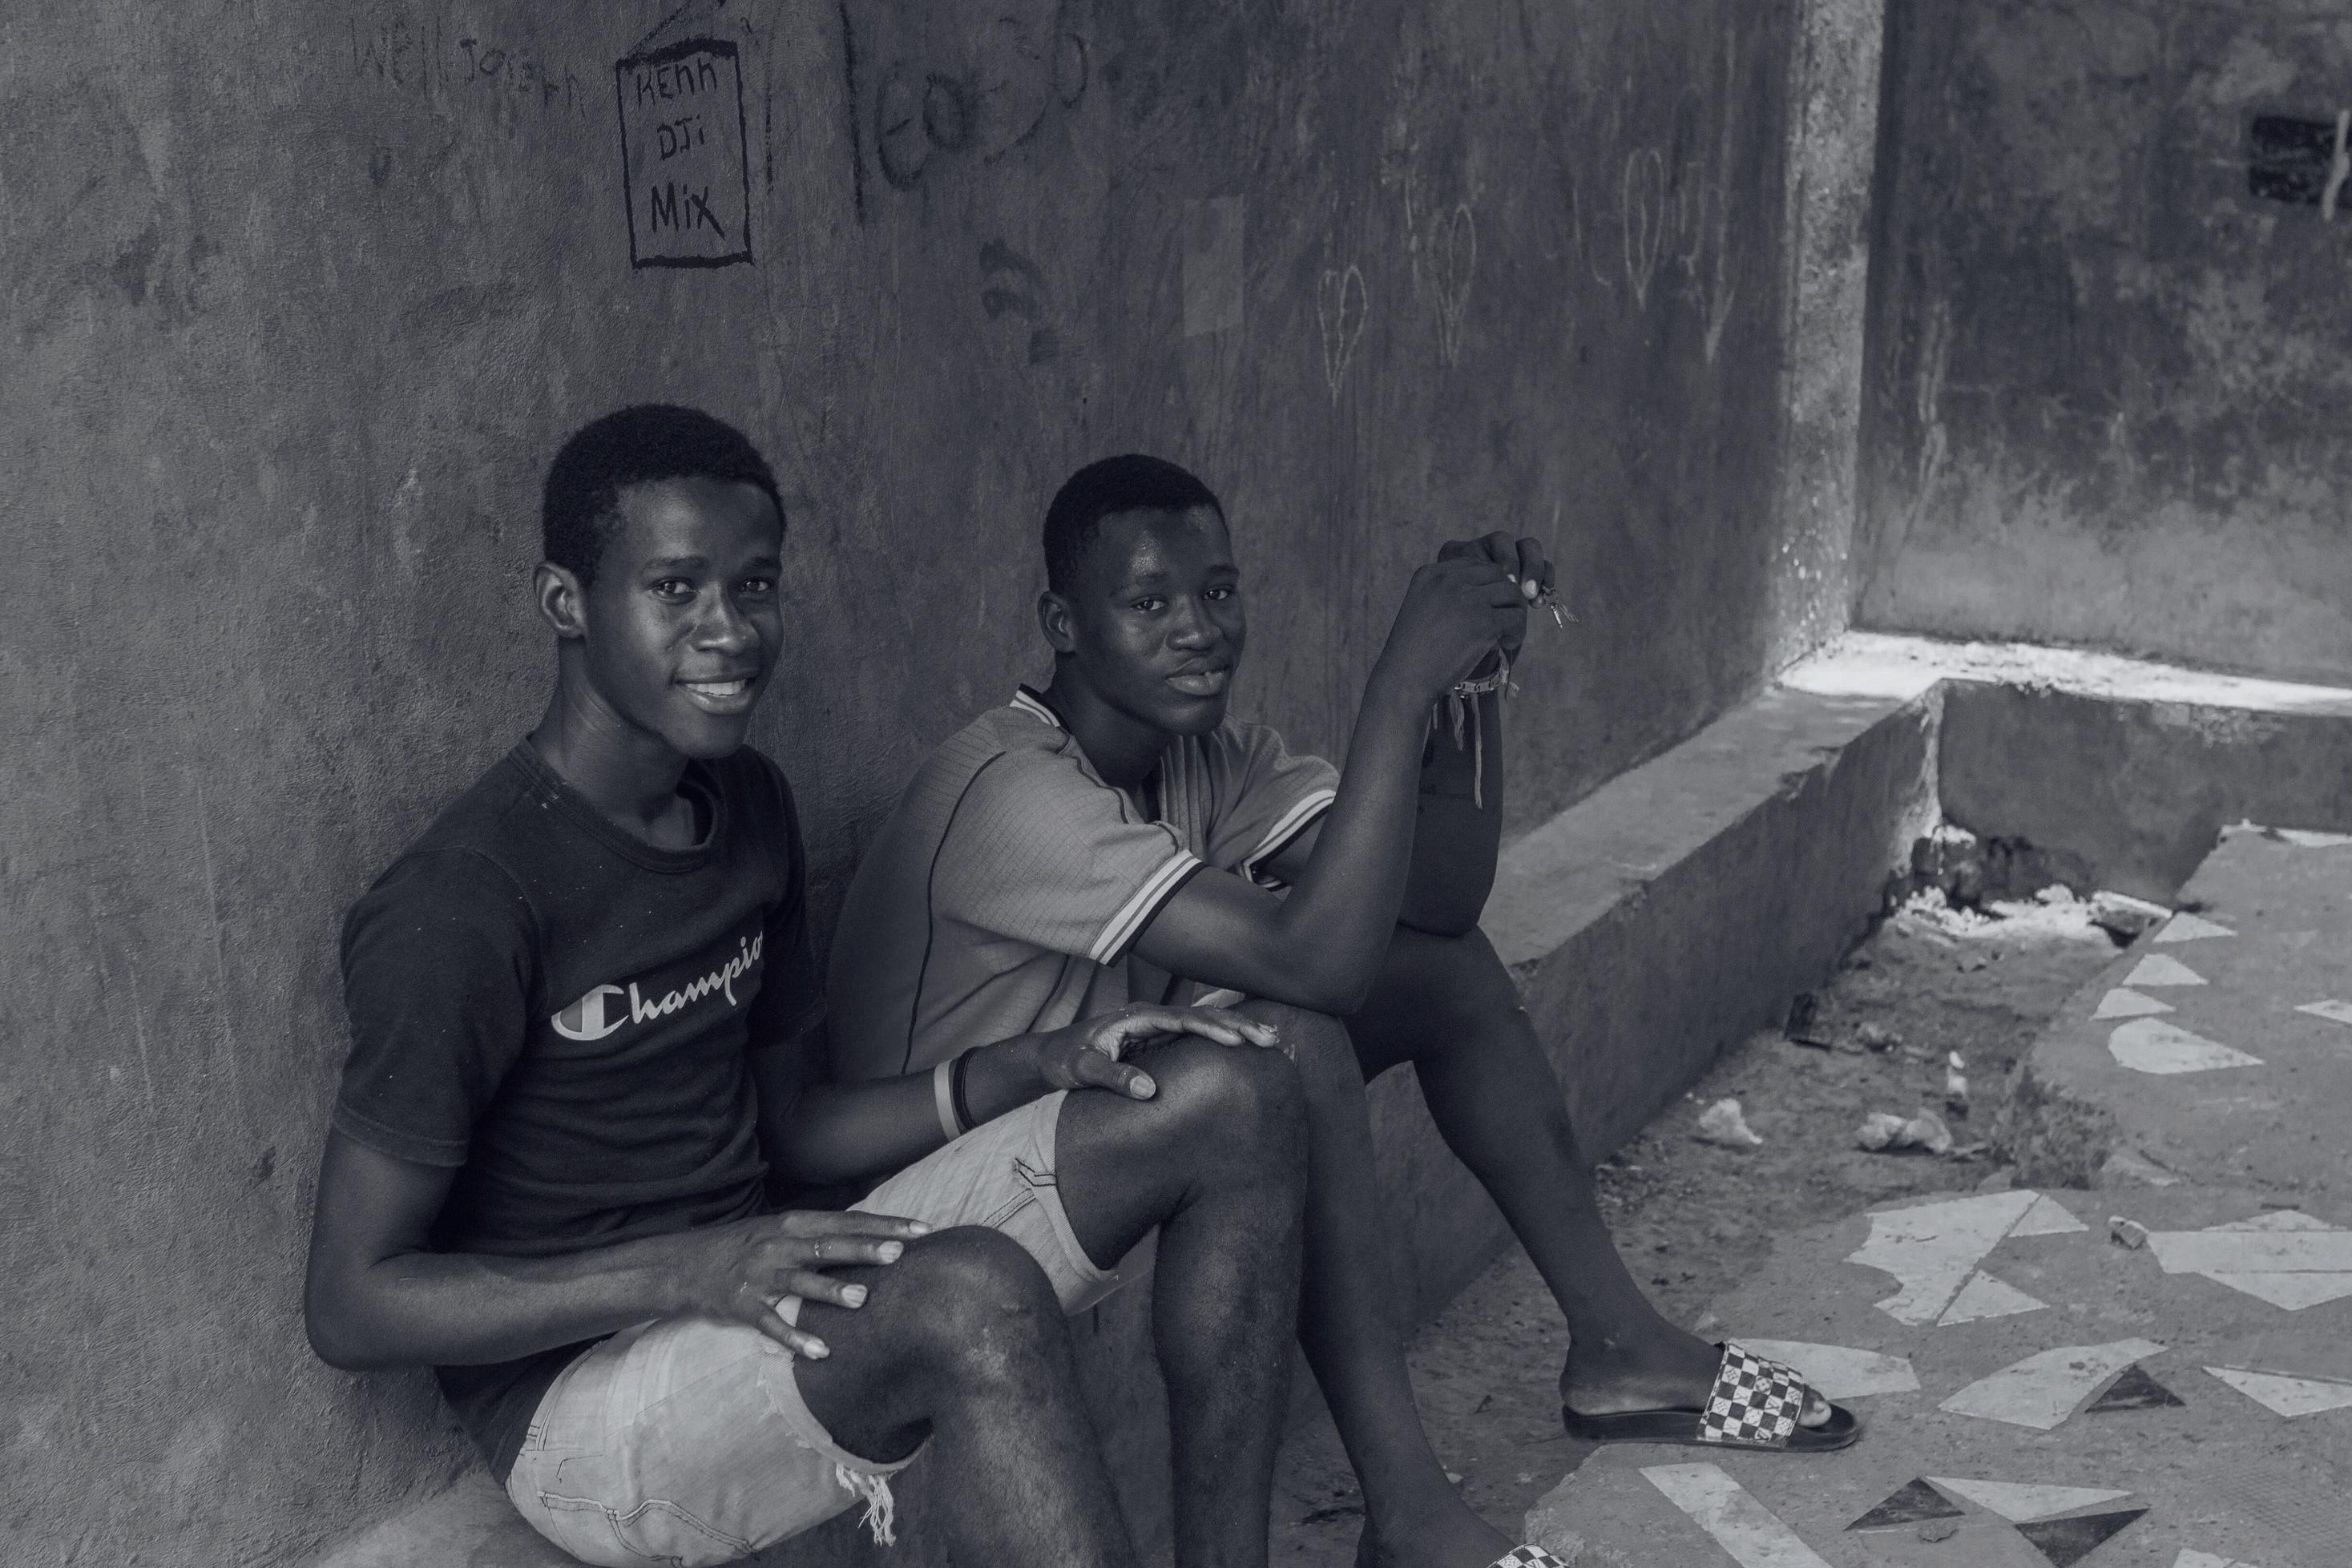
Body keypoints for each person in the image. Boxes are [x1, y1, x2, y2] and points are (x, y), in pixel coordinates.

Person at [301, 409, 1326, 1568]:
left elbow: (795, 1125)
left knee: (1233, 1092)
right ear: (565, 603)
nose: (729, 629)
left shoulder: (746, 805)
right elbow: (351, 1303)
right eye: (675, 588)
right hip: (581, 1406)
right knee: (970, 1295)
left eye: (755, 584)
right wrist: (685, 1268)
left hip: (763, 1282)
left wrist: (1032, 1065)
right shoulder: (467, 899)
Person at [828, 454, 1855, 1568]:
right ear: (1062, 625)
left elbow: (1439, 902)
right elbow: (1312, 964)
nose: (1198, 630)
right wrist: (1398, 689)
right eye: (1150, 604)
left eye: (1220, 592)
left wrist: (1468, 682)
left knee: (1438, 976)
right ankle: (1409, 1516)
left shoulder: (1204, 757)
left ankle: (1619, 1346)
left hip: (1079, 1141)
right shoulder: (1014, 793)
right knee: (1292, 1041)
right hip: (920, 1219)